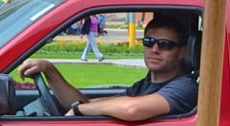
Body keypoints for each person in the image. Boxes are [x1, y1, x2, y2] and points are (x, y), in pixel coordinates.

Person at [20, 12, 199, 120]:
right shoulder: (144, 86)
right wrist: (49, 70)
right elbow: (88, 104)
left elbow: (132, 109)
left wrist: (79, 110)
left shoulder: (184, 87)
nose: (155, 49)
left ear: (181, 52)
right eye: (149, 42)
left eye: (165, 45)